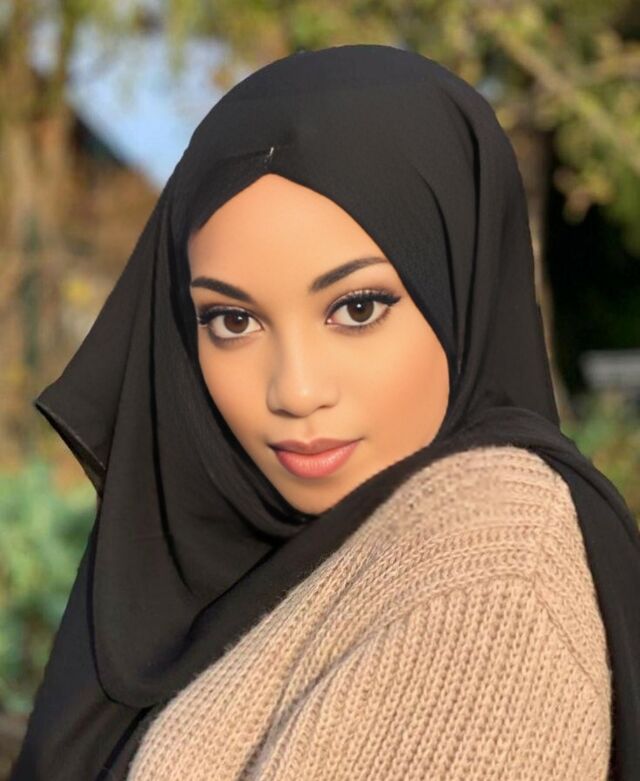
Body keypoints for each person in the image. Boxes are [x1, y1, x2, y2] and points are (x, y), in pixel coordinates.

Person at [9, 44, 640, 781]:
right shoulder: (248, 562)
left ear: (462, 293)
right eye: (234, 321)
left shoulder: (493, 566)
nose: (296, 390)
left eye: (358, 308)